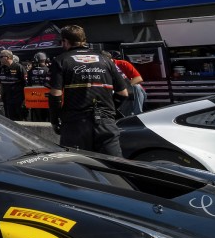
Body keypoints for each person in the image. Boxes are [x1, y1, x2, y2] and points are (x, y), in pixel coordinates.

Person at [48, 25, 129, 155]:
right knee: (115, 167)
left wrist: (54, 120)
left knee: (78, 167)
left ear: (65, 41)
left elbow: (56, 95)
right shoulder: (106, 60)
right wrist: (108, 112)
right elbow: (123, 93)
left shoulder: (61, 60)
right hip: (106, 123)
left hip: (75, 123)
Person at [108, 51, 146, 117]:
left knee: (136, 86)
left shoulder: (123, 63)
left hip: (133, 92)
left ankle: (138, 115)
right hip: (118, 93)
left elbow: (138, 79)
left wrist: (123, 87)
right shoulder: (103, 68)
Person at [0, 50, 26, 120]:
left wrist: (25, 99)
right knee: (8, 118)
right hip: (6, 98)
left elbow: (26, 83)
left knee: (19, 118)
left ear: (8, 57)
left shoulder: (18, 67)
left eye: (1, 57)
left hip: (18, 98)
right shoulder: (0, 69)